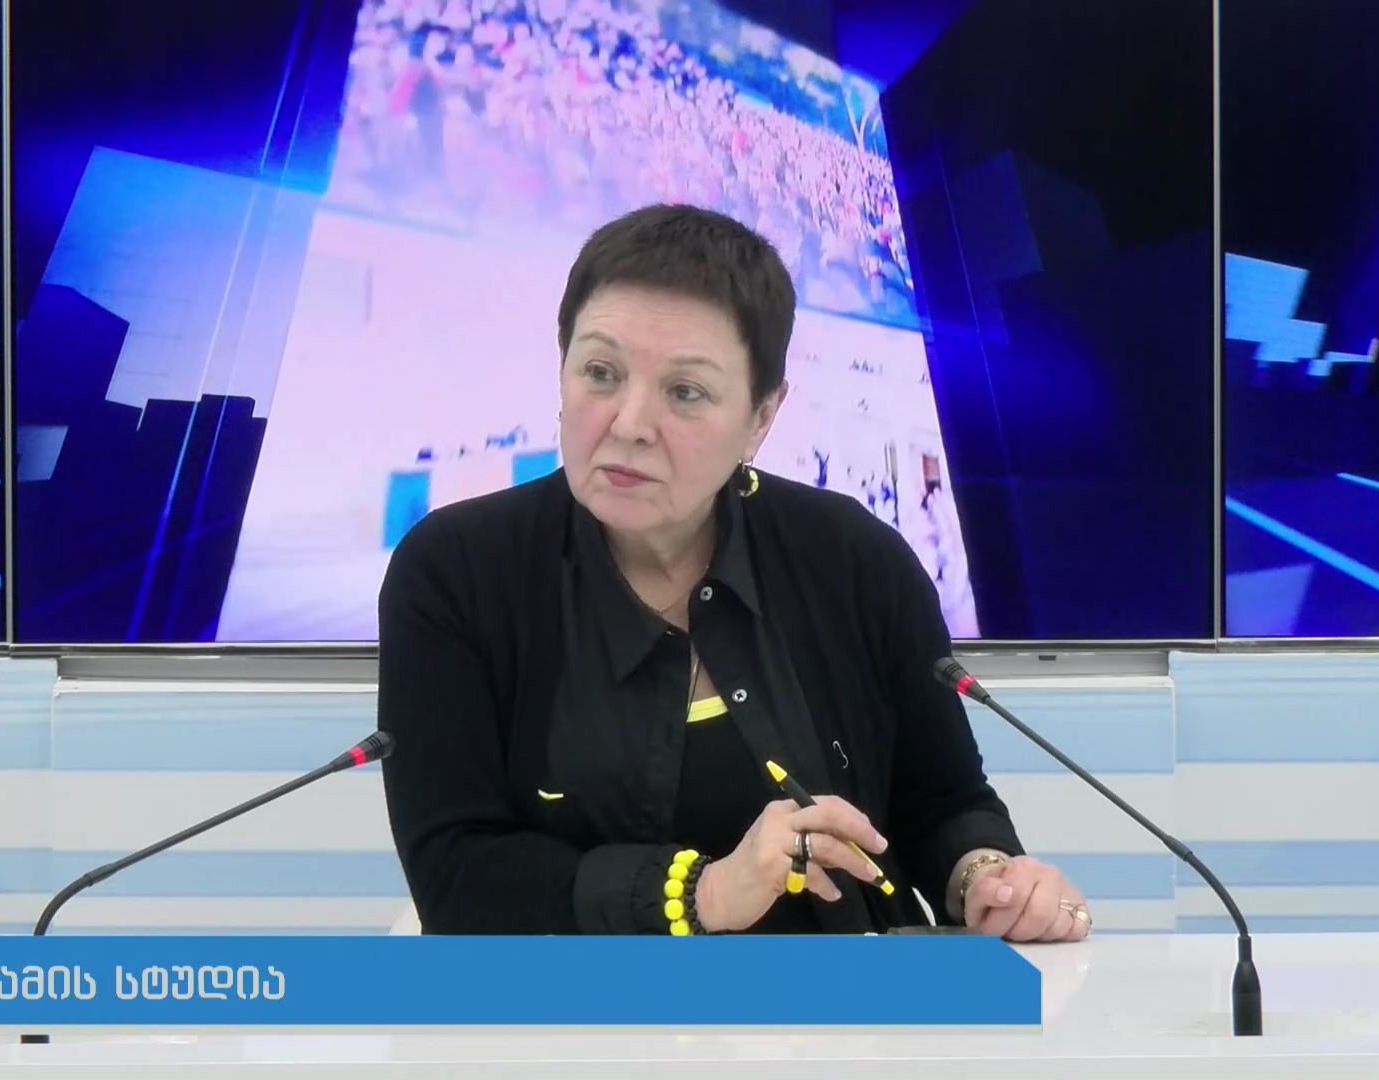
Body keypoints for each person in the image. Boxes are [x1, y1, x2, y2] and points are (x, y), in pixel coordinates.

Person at [379, 205, 1088, 939]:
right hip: (570, 1008)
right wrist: (704, 893)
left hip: (846, 1001)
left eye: (685, 392)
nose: (628, 423)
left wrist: (988, 876)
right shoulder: (457, 572)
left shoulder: (854, 557)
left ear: (761, 418)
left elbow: (943, 803)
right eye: (600, 372)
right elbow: (455, 877)